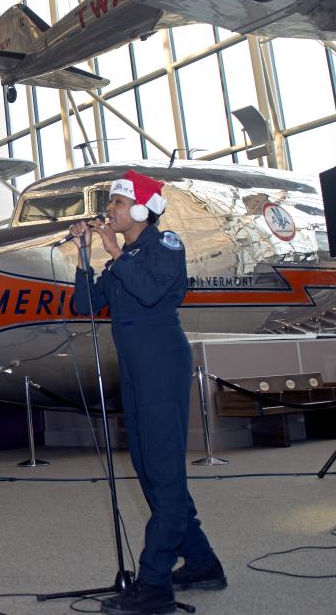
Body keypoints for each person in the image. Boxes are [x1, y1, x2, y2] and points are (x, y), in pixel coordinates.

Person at [69, 170, 225, 615]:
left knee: (164, 472)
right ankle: (201, 563)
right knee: (149, 469)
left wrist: (116, 253)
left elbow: (154, 293)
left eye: (117, 204)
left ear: (140, 210)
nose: (109, 211)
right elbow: (85, 305)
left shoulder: (164, 246)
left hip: (161, 367)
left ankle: (154, 583)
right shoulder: (123, 256)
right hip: (136, 373)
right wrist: (85, 257)